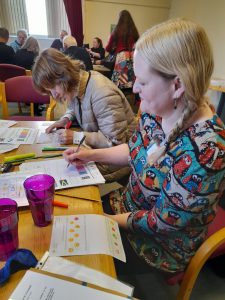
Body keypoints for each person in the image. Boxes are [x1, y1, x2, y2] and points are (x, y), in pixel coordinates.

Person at [62, 18, 225, 277]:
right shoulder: (156, 110)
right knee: (69, 213)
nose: (135, 88)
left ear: (178, 85)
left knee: (78, 268)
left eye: (143, 81)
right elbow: (135, 151)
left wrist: (104, 222)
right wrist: (90, 155)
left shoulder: (206, 152)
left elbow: (160, 223)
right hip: (125, 208)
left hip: (157, 245)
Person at [32, 48, 137, 182]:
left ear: (62, 76)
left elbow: (114, 142)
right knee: (60, 164)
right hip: (99, 149)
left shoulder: (102, 93)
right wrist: (65, 120)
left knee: (63, 173)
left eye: (53, 88)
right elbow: (74, 107)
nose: (54, 95)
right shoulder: (78, 83)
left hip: (121, 159)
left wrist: (76, 136)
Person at [106, 10, 139, 89]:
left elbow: (108, 48)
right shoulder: (134, 31)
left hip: (121, 56)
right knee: (130, 81)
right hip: (132, 56)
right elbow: (139, 44)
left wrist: (114, 48)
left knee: (119, 83)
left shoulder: (117, 30)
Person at [14, 36, 41, 116]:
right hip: (30, 84)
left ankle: (31, 104)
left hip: (17, 81)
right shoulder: (33, 56)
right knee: (39, 79)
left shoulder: (18, 52)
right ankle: (36, 108)